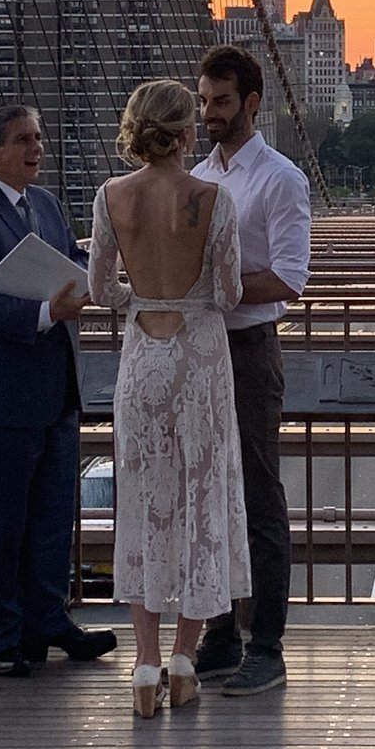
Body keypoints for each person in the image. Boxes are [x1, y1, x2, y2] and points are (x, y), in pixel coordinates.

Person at [88, 79, 251, 715]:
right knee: (200, 501)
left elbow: (102, 290)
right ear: (186, 133)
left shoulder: (111, 196)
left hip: (141, 363)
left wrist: (139, 297)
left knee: (143, 504)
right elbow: (230, 294)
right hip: (199, 359)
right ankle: (185, 660)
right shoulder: (213, 199)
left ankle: (144, 664)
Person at [0, 104, 117, 678]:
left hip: (56, 389)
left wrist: (99, 272)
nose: (35, 148)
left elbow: (71, 259)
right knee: (3, 523)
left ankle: (48, 621)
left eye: (38, 137)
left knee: (52, 519)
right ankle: (0, 636)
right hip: (3, 396)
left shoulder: (45, 204)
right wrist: (46, 313)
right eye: (22, 139)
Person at [192, 45, 311, 697]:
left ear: (253, 103)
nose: (209, 113)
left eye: (222, 101)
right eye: (204, 101)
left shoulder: (280, 179)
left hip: (248, 351)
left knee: (259, 498)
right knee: (208, 497)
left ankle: (267, 647)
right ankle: (219, 636)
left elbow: (289, 278)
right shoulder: (196, 177)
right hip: (200, 352)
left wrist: (214, 289)